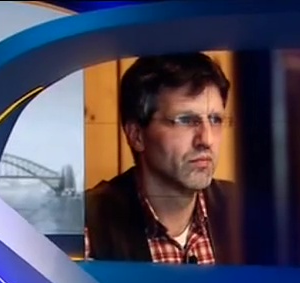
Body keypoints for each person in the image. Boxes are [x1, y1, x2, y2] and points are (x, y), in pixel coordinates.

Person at [84, 52, 244, 265]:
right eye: (185, 120)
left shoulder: (247, 213)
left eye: (215, 119)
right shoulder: (89, 227)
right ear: (137, 136)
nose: (206, 140)